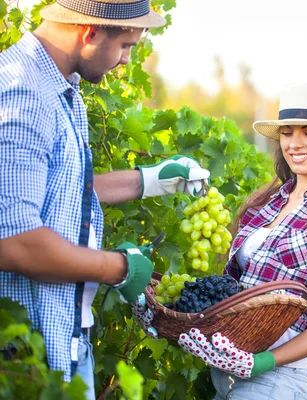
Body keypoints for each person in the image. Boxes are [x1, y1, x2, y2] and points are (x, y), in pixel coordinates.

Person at [0, 1, 209, 398]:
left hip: (63, 340)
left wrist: (148, 181)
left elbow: (58, 187)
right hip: (25, 359)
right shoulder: (24, 93)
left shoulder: (59, 87)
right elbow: (14, 243)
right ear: (90, 33)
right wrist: (118, 268)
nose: (127, 60)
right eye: (127, 45)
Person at [177, 82, 307, 399]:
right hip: (225, 373)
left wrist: (261, 362)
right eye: (287, 132)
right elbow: (233, 289)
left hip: (276, 381)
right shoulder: (269, 200)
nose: (295, 143)